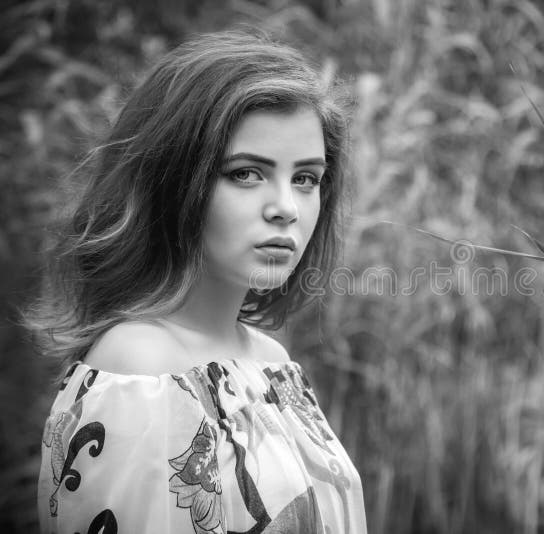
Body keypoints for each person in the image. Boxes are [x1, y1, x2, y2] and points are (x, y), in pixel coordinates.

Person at [24, 28, 367, 533]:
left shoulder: (271, 363)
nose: (286, 209)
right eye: (246, 173)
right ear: (172, 181)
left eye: (306, 178)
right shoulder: (141, 370)